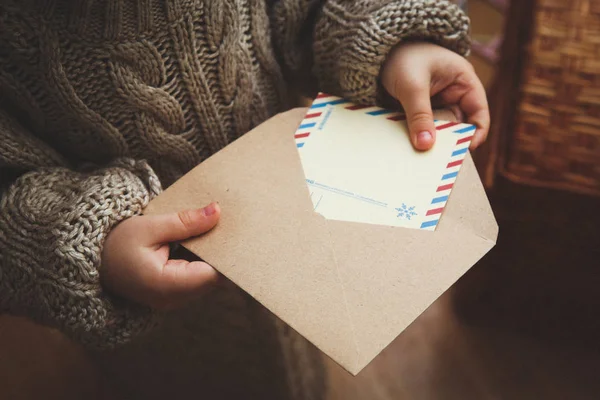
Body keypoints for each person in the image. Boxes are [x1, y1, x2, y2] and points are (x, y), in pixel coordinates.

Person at [0, 1, 489, 398]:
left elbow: (311, 12)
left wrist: (396, 43)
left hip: (304, 247)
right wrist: (90, 246)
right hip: (151, 319)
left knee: (298, 360)